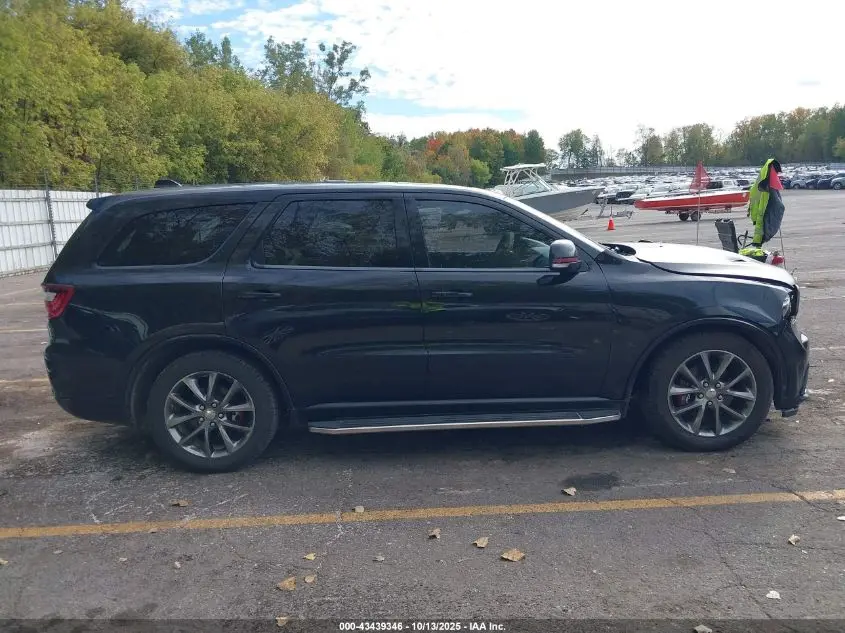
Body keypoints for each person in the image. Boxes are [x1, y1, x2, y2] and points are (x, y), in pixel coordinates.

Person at [739, 158, 784, 262]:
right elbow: (778, 207)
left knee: (759, 236)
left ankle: (758, 243)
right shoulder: (766, 184)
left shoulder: (761, 179)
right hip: (761, 220)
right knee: (760, 236)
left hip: (758, 219)